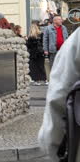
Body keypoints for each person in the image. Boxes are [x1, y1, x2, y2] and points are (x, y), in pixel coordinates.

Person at [38, 28, 80, 161]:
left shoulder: (76, 38)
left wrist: (52, 144)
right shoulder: (51, 30)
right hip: (52, 50)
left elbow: (60, 92)